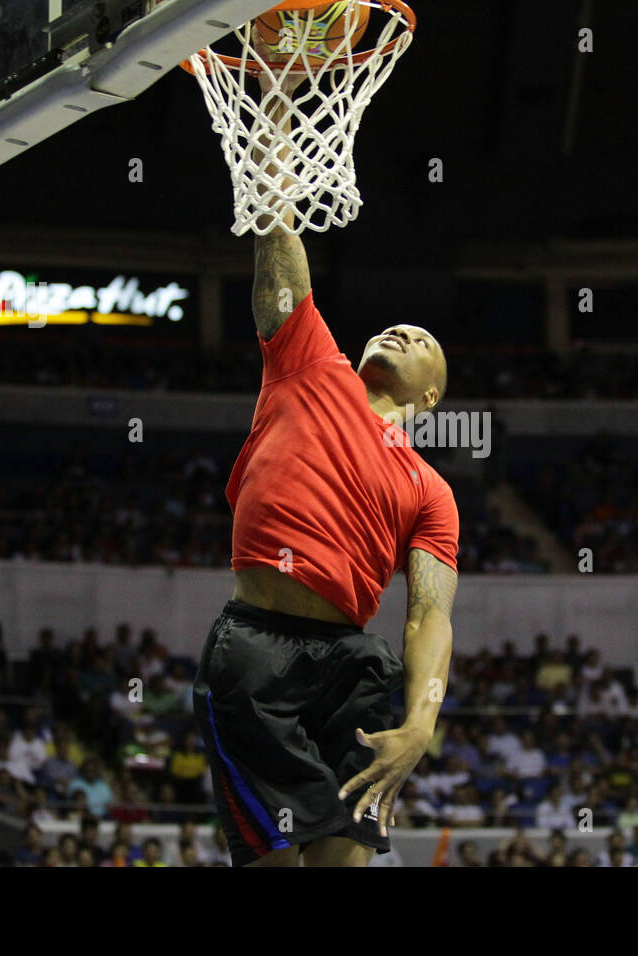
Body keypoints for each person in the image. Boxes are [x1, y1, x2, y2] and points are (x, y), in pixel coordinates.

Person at [191, 62, 458, 869]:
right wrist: (272, 115)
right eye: (396, 327)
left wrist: (422, 720)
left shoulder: (431, 491)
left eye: (423, 340)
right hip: (255, 649)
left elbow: (429, 615)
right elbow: (277, 231)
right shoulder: (312, 363)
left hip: (353, 663)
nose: (402, 333)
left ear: (435, 396)